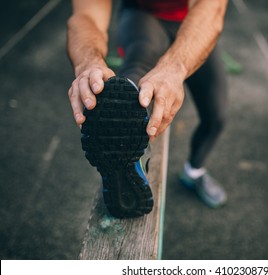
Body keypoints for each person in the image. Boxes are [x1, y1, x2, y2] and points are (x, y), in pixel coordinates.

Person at [67, 0, 229, 218]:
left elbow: (211, 9)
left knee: (216, 117)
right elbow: (86, 15)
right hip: (143, 17)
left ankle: (193, 172)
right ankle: (127, 147)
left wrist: (174, 68)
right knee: (138, 76)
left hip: (195, 20)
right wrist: (88, 64)